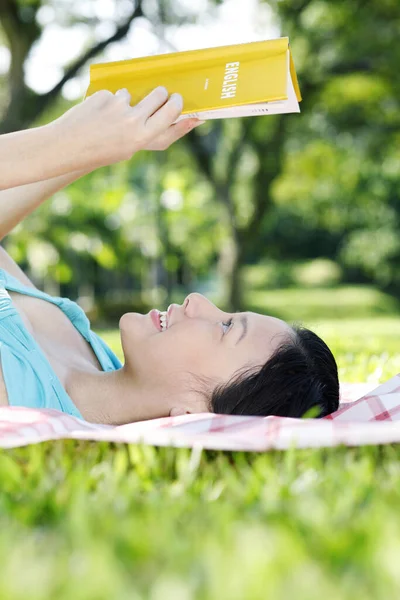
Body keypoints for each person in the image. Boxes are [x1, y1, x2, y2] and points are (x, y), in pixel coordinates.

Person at [0, 88, 339, 425]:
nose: (198, 301)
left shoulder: (21, 403)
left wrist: (65, 141)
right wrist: (100, 150)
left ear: (193, 412)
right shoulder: (90, 358)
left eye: (225, 327)